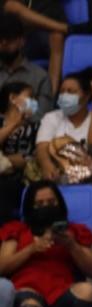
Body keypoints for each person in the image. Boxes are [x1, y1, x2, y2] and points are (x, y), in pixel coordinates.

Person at [0, 181, 92, 307]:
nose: (46, 207)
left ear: (60, 203)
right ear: (30, 206)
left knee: (88, 291)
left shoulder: (74, 231)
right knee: (31, 302)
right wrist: (31, 249)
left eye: (51, 203)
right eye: (40, 204)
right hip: (26, 290)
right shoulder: (17, 230)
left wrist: (72, 245)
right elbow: (3, 266)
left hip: (61, 291)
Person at [35, 68, 92, 181]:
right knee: (54, 146)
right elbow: (42, 148)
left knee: (59, 143)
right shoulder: (51, 117)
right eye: (62, 91)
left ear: (86, 96)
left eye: (71, 92)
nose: (65, 95)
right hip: (62, 175)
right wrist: (47, 167)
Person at [1, 0, 92, 94]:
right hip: (23, 38)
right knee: (12, 6)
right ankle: (67, 28)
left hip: (51, 34)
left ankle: (50, 96)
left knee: (57, 37)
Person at [0, 81, 39, 222]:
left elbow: (26, 159)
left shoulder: (36, 127)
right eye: (31, 97)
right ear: (13, 98)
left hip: (19, 181)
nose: (35, 102)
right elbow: (15, 159)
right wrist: (14, 124)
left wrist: (3, 160)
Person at [0, 22, 50, 115]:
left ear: (22, 41)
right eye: (0, 41)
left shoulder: (40, 76)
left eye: (9, 39)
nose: (4, 44)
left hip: (27, 126)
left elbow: (43, 114)